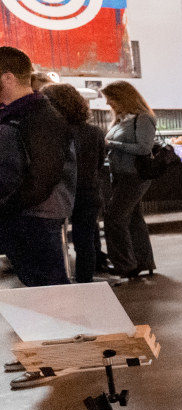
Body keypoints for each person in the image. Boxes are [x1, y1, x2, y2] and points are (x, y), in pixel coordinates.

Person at [0, 47, 74, 286]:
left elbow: (42, 178)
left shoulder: (40, 116)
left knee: (49, 291)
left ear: (8, 77)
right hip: (22, 215)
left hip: (35, 217)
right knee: (37, 287)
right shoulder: (16, 114)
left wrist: (6, 206)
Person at [44, 83, 106, 284]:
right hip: (89, 191)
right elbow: (99, 164)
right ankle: (84, 282)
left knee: (54, 242)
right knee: (85, 242)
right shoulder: (95, 131)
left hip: (59, 193)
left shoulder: (52, 132)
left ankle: (58, 283)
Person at [101, 81, 158, 281]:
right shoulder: (122, 119)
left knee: (114, 219)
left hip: (134, 176)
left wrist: (112, 144)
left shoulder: (143, 119)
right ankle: (142, 262)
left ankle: (125, 264)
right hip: (121, 176)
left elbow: (144, 148)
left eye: (111, 99)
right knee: (133, 220)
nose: (108, 103)